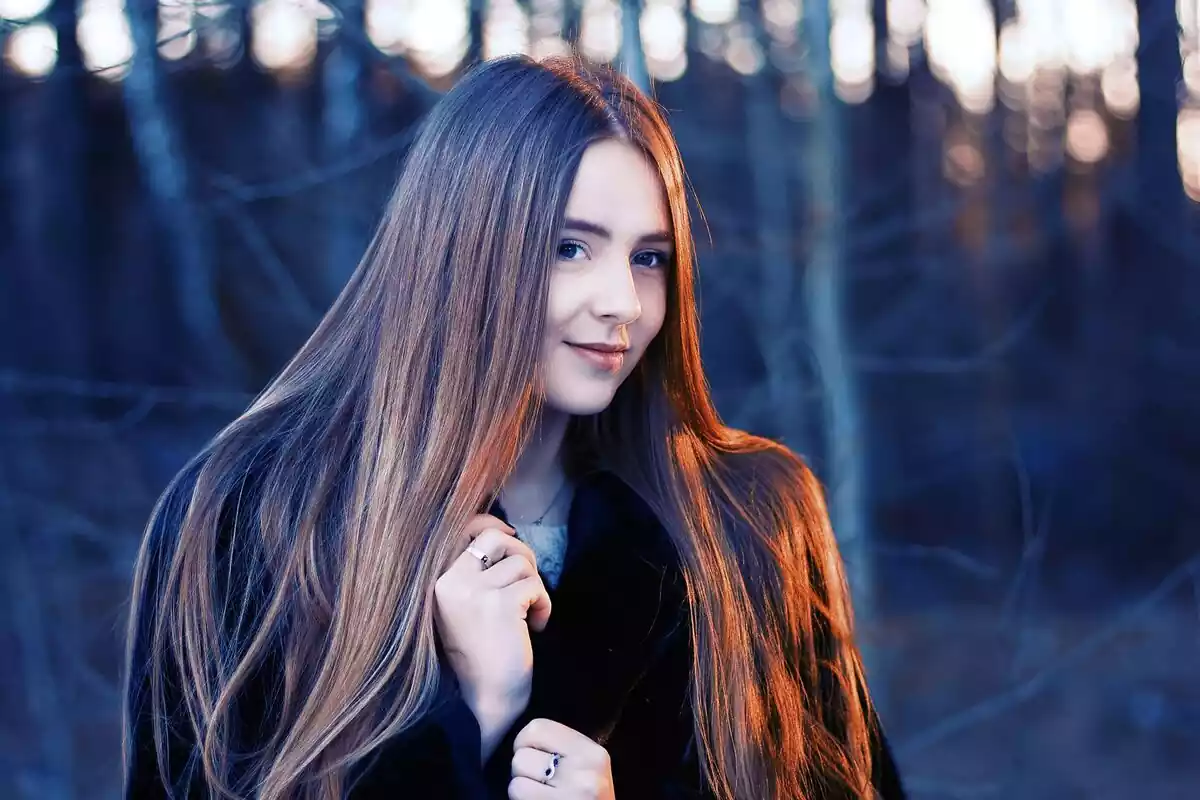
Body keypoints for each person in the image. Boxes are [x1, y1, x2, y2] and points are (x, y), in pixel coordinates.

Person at [122, 55, 906, 800]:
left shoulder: (752, 517)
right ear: (465, 254)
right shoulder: (256, 515)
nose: (624, 304)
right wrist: (483, 715)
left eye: (649, 259)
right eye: (571, 248)